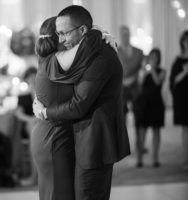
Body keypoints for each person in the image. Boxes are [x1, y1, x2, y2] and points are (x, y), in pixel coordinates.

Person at [33, 5, 130, 200]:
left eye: (64, 34)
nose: (62, 39)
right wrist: (100, 32)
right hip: (61, 136)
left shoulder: (95, 54)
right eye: (58, 34)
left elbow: (79, 104)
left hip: (92, 140)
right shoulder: (64, 59)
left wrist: (46, 112)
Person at [136, 48, 165, 168]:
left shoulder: (162, 71)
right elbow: (140, 82)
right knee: (142, 131)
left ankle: (155, 158)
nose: (153, 58)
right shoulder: (143, 70)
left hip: (157, 104)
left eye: (155, 56)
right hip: (144, 103)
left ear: (158, 58)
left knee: (156, 131)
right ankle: (139, 159)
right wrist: (144, 69)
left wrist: (152, 69)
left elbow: (158, 82)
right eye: (151, 56)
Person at [118, 25, 144, 155]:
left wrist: (134, 78)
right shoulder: (114, 51)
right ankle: (123, 147)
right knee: (122, 120)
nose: (125, 37)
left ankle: (139, 146)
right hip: (120, 89)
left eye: (127, 34)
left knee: (139, 119)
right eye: (123, 35)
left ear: (130, 35)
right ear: (120, 35)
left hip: (135, 88)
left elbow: (142, 68)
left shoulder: (139, 52)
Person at [15, 67, 38, 186]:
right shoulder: (23, 96)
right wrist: (31, 119)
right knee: (33, 130)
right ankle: (33, 177)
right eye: (30, 76)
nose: (33, 78)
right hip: (31, 125)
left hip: (44, 122)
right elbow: (18, 114)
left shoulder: (45, 91)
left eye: (35, 75)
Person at [169, 30, 188, 171]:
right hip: (183, 99)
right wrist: (185, 72)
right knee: (185, 130)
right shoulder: (178, 60)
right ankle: (186, 160)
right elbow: (173, 81)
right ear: (182, 42)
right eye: (185, 40)